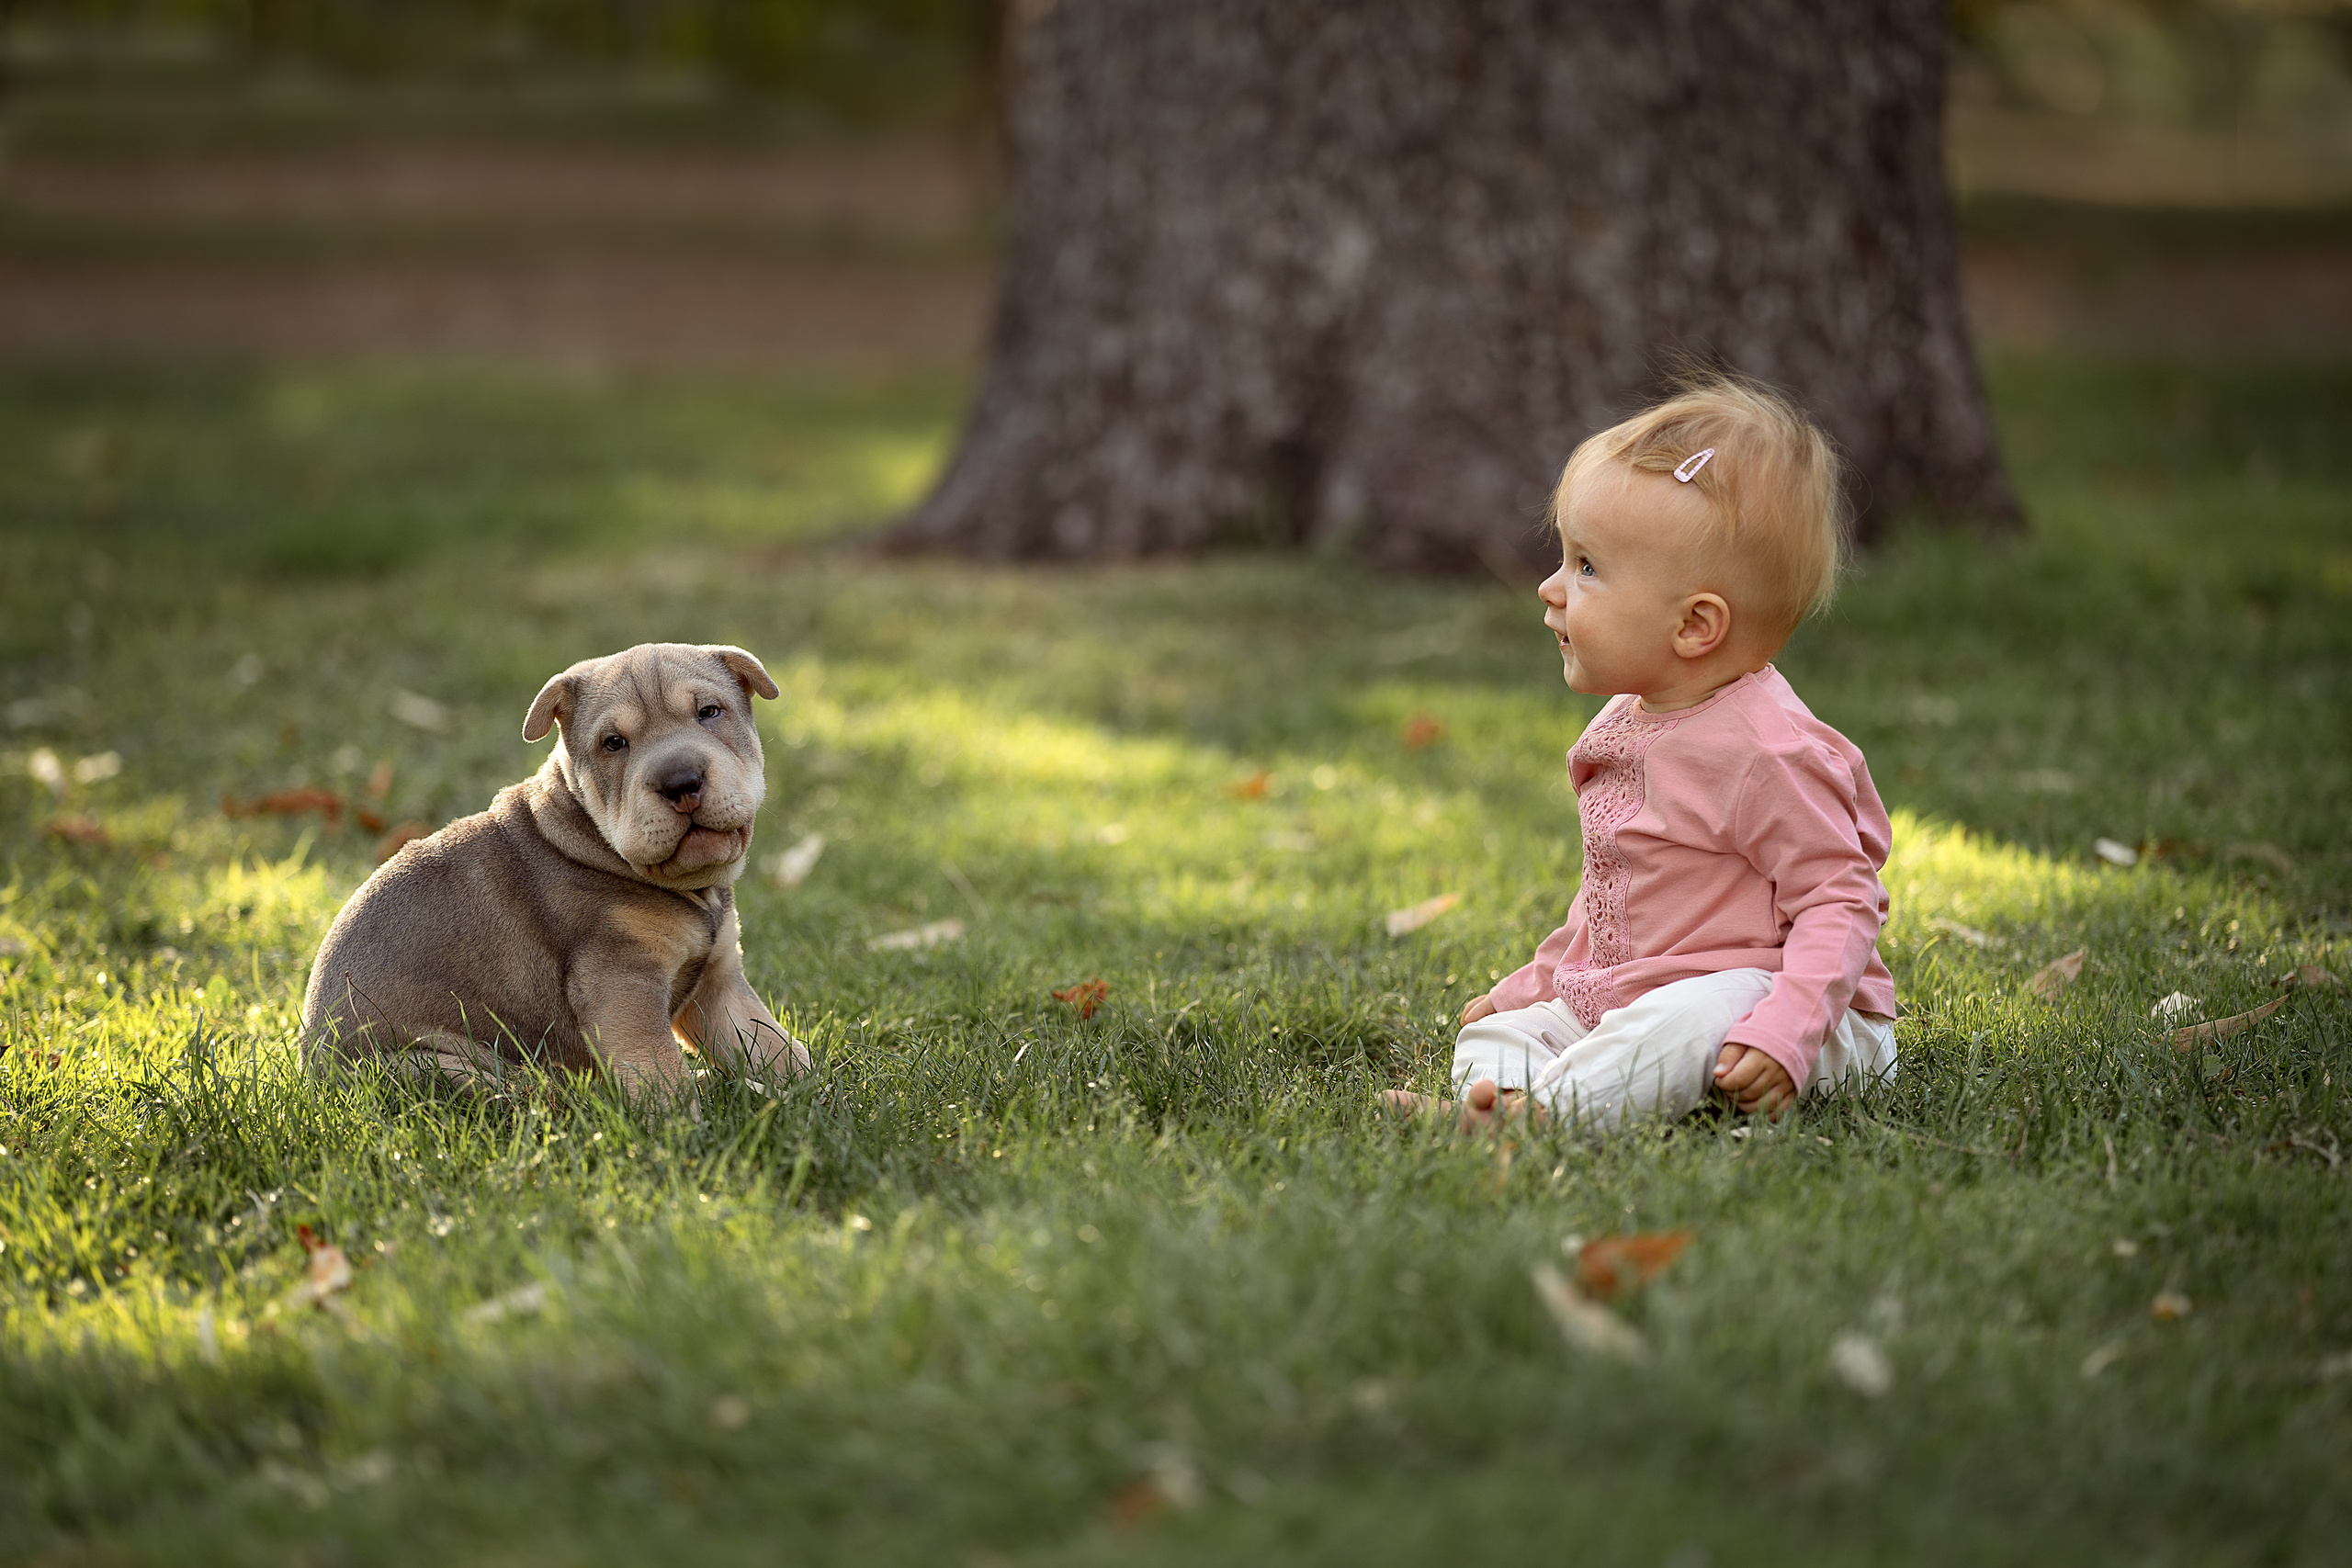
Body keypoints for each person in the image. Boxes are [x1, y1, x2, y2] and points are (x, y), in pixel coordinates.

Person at [1386, 375, 1897, 1131]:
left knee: (1689, 1016)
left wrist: (1785, 1030)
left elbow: (1840, 901)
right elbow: (1614, 889)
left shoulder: (1767, 750)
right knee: (1502, 1031)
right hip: (1643, 993)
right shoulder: (1630, 719)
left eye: (1587, 567)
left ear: (1695, 626)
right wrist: (1535, 983)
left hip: (1793, 1016)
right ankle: (1506, 1102)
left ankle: (1543, 1120)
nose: (1549, 588)